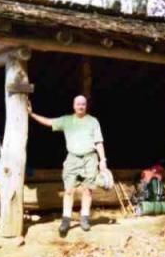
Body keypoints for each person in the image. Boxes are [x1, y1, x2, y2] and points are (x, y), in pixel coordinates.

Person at [28, 95, 108, 237]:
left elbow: (98, 142)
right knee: (69, 190)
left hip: (90, 158)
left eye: (83, 104)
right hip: (72, 159)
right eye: (78, 104)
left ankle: (84, 218)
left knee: (88, 190)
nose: (81, 106)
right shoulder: (67, 121)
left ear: (86, 106)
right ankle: (66, 219)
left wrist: (103, 160)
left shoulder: (93, 121)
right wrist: (31, 114)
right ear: (73, 106)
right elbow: (48, 121)